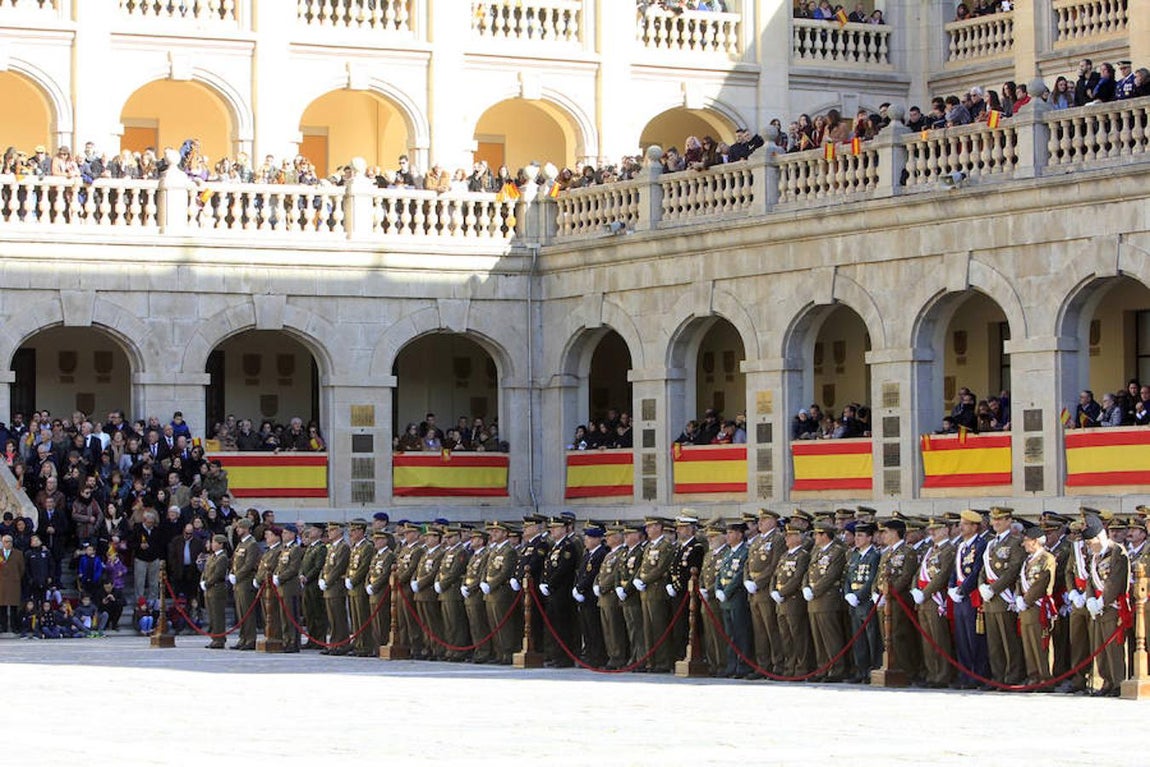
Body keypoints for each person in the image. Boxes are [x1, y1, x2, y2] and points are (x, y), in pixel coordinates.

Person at [978, 506, 1025, 685]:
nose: (996, 523)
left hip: (1005, 598)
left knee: (1009, 641)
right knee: (994, 643)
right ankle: (998, 677)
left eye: (1000, 519)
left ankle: (1012, 676)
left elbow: (1013, 570)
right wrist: (982, 586)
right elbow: (983, 569)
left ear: (1008, 521)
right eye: (994, 519)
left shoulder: (1015, 542)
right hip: (990, 600)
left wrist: (993, 588)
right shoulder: (991, 543)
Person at [1083, 512, 1129, 696]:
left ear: (1098, 537)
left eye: (1090, 542)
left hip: (1112, 606)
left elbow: (1115, 580)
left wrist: (1101, 601)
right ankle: (1106, 681)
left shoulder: (1116, 552)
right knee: (1099, 648)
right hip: (1098, 608)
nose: (1089, 547)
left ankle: (1118, 683)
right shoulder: (1095, 556)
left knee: (1113, 649)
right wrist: (1090, 599)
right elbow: (1090, 581)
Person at [910, 518, 955, 688]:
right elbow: (917, 573)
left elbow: (942, 576)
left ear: (945, 530)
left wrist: (925, 593)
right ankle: (932, 673)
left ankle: (942, 675)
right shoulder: (931, 550)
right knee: (927, 640)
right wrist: (915, 590)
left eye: (936, 529)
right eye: (930, 530)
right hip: (923, 600)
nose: (932, 532)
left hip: (936, 600)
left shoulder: (949, 550)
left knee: (939, 639)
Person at [875, 518, 920, 681]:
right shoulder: (886, 552)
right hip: (884, 601)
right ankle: (891, 666)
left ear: (895, 532)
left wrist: (889, 592)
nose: (883, 535)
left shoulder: (907, 551)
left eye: (886, 532)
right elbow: (879, 575)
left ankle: (906, 670)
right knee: (886, 637)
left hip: (898, 600)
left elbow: (906, 576)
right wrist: (876, 592)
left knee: (900, 636)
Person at [803, 520, 848, 682]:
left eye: (817, 534)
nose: (815, 537)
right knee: (819, 638)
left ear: (825, 535)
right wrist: (805, 587)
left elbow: (831, 575)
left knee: (831, 637)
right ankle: (823, 667)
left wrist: (814, 591)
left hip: (827, 599)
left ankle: (836, 669)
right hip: (814, 601)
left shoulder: (836, 552)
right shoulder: (818, 551)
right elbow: (808, 572)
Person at [1015, 523, 1056, 687]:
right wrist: (1019, 596)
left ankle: (1045, 677)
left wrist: (1026, 600)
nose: (1024, 544)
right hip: (1026, 608)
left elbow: (1042, 583)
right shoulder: (1027, 560)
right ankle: (1034, 676)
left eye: (1026, 540)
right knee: (1028, 644)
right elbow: (1020, 580)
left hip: (1038, 607)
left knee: (1041, 644)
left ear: (1035, 541)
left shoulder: (1047, 558)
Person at [634, 516, 676, 673]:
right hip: (646, 592)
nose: (647, 530)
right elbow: (643, 566)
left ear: (659, 527)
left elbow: (660, 568)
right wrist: (638, 578)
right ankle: (650, 661)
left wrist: (643, 579)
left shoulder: (665, 546)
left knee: (659, 628)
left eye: (650, 527)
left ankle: (663, 661)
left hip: (657, 591)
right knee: (648, 629)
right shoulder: (650, 546)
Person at [714, 520, 752, 678]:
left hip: (737, 598)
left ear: (739, 534)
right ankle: (731, 665)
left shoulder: (745, 551)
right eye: (727, 533)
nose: (727, 536)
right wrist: (717, 588)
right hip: (726, 600)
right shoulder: (728, 553)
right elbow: (720, 573)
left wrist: (727, 591)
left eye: (730, 533)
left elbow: (740, 574)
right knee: (729, 634)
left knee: (740, 633)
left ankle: (743, 665)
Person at [481, 520, 520, 665]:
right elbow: (486, 569)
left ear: (505, 533)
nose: (493, 533)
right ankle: (499, 652)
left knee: (503, 624)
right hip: (490, 592)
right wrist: (483, 581)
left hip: (501, 591)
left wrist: (490, 585)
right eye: (492, 531)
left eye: (497, 531)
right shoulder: (494, 550)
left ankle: (507, 652)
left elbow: (505, 572)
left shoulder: (509, 550)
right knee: (493, 624)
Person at [574, 524, 608, 668]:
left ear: (597, 539)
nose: (586, 540)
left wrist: (581, 588)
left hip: (591, 596)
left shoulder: (601, 553)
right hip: (583, 596)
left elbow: (592, 574)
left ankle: (596, 657)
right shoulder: (588, 554)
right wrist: (576, 587)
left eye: (588, 538)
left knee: (594, 628)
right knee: (586, 628)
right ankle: (588, 654)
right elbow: (581, 573)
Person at [411, 524, 446, 660]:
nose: (426, 539)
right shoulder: (426, 553)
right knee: (424, 622)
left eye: (429, 536)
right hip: (420, 592)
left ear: (437, 538)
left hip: (429, 591)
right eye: (425, 536)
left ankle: (437, 648)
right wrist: (414, 580)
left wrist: (419, 583)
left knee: (433, 622)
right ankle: (428, 647)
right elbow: (418, 570)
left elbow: (433, 573)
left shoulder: (440, 553)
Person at [227, 517, 261, 651]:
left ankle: (250, 639)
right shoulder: (241, 544)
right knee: (241, 612)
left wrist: (237, 575)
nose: (237, 530)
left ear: (246, 529)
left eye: (240, 528)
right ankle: (243, 638)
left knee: (247, 612)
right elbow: (235, 561)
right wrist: (231, 572)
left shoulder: (251, 544)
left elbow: (249, 564)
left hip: (246, 582)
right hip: (238, 583)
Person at [319, 521, 351, 656]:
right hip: (328, 586)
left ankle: (341, 643)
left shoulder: (343, 547)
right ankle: (333, 642)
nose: (329, 533)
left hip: (336, 586)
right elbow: (326, 565)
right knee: (332, 617)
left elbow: (339, 567)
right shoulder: (332, 547)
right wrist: (322, 578)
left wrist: (328, 580)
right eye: (329, 530)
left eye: (332, 530)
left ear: (339, 532)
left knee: (338, 617)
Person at [461, 527, 492, 664]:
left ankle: (484, 651)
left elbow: (481, 575)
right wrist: (463, 585)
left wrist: (471, 587)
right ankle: (478, 650)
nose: (472, 541)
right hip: (469, 593)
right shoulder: (475, 555)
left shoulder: (485, 554)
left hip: (477, 593)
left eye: (475, 538)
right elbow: (468, 572)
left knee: (480, 625)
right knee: (473, 625)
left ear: (481, 540)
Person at [274, 524, 304, 653]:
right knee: (284, 616)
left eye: (286, 533)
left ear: (292, 534)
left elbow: (293, 568)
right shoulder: (284, 549)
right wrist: (276, 575)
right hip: (282, 587)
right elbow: (280, 565)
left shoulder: (295, 549)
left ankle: (293, 641)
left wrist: (280, 578)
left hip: (290, 586)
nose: (283, 535)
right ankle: (286, 640)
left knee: (291, 616)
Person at [299, 523, 328, 650]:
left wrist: (307, 577)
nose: (311, 532)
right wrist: (301, 575)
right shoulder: (310, 547)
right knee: (308, 613)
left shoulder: (321, 548)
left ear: (320, 532)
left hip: (314, 584)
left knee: (317, 613)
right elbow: (303, 564)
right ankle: (311, 639)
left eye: (314, 530)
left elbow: (318, 566)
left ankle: (319, 639)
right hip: (306, 584)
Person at [367, 529, 396, 653]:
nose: (376, 542)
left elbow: (385, 574)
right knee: (375, 621)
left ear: (385, 541)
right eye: (375, 539)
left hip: (381, 591)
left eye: (378, 539)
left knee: (382, 620)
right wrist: (367, 584)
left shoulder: (388, 555)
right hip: (373, 591)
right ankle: (376, 645)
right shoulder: (376, 555)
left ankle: (382, 644)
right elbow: (370, 572)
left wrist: (374, 586)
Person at [200, 533, 230, 649]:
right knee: (212, 614)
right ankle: (214, 637)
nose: (212, 545)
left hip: (217, 588)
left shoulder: (222, 557)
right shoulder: (212, 556)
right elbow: (205, 570)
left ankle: (219, 638)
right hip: (209, 589)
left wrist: (207, 583)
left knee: (218, 615)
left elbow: (218, 574)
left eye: (214, 542)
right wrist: (203, 580)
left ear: (220, 544)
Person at [255, 525, 283, 648]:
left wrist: (260, 578)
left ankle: (275, 635)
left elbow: (270, 567)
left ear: (277, 537)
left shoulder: (278, 551)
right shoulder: (269, 550)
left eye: (269, 535)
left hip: (271, 587)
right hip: (264, 586)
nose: (266, 537)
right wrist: (257, 579)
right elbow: (261, 567)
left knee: (273, 613)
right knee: (266, 613)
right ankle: (269, 634)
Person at [0, 534, 24, 633]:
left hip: (14, 583)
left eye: (9, 541)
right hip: (1, 584)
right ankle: (3, 627)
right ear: (2, 542)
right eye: (5, 541)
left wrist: (17, 577)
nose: (7, 543)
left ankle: (15, 627)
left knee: (14, 607)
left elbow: (22, 569)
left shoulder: (18, 553)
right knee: (2, 608)